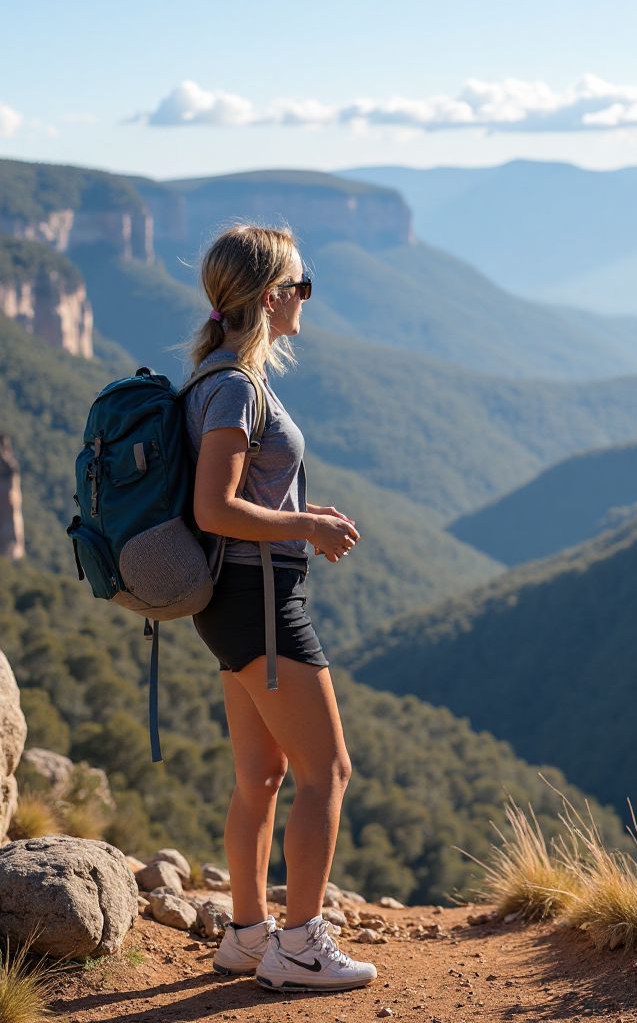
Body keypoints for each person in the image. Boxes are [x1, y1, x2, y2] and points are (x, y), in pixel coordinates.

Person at [182, 223, 376, 993]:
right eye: (301, 285)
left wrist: (299, 511)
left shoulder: (213, 377)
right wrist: (307, 528)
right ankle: (298, 946)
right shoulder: (235, 386)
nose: (306, 297)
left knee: (260, 775)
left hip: (232, 602)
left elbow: (241, 495)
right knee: (327, 772)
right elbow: (215, 508)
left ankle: (245, 934)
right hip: (261, 601)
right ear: (270, 296)